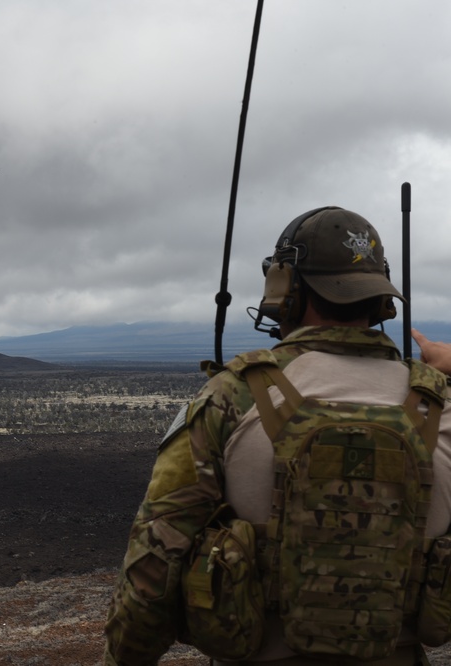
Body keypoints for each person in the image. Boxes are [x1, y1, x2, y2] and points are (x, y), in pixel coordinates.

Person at [103, 206, 451, 666]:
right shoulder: (440, 405)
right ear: (381, 298)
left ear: (285, 287)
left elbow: (157, 556)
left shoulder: (232, 395)